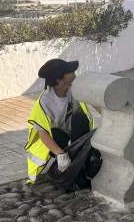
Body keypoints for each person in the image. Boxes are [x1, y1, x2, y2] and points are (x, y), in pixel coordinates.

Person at [24, 59, 99, 189]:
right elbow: (43, 133)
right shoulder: (44, 103)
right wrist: (60, 154)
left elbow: (95, 102)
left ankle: (80, 169)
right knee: (57, 135)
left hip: (75, 133)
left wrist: (112, 118)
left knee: (80, 119)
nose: (74, 72)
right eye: (69, 71)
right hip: (55, 140)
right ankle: (71, 172)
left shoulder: (73, 89)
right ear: (59, 79)